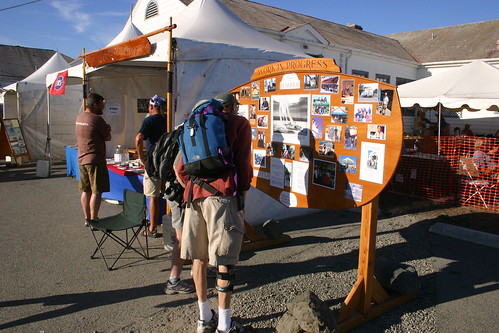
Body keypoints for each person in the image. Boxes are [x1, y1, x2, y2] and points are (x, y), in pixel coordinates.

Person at [176, 92, 252, 333]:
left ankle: (203, 318)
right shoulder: (238, 123)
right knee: (223, 261)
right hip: (222, 197)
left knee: (198, 258)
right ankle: (224, 326)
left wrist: (193, 186)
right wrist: (241, 193)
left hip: (193, 197)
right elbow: (243, 164)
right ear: (230, 107)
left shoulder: (192, 125)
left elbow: (179, 169)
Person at [75, 92, 111, 226]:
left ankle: (87, 218)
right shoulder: (96, 119)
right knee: (97, 191)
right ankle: (94, 218)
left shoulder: (79, 117)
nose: (103, 107)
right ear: (95, 104)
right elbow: (107, 137)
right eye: (101, 104)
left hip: (82, 158)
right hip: (95, 159)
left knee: (86, 190)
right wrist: (108, 128)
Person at [135, 95, 167, 238]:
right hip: (167, 161)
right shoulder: (168, 120)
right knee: (168, 194)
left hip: (153, 163)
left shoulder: (149, 120)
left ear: (151, 107)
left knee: (152, 196)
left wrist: (141, 156)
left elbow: (138, 138)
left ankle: (152, 228)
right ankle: (172, 225)